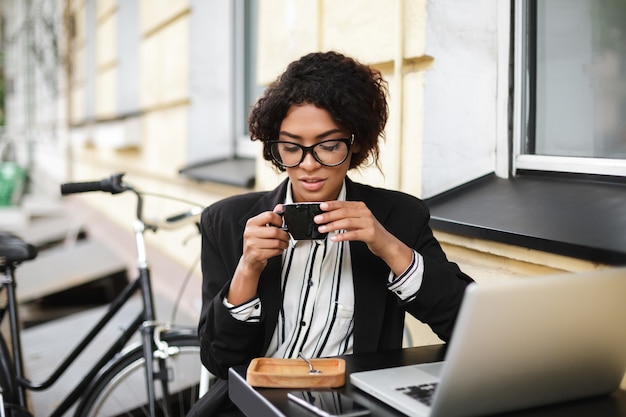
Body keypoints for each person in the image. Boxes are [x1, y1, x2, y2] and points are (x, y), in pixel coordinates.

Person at [187, 50, 474, 416]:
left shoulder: (397, 217)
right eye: (291, 148)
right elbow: (218, 360)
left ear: (355, 143)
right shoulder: (227, 221)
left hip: (350, 406)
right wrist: (248, 269)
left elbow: (465, 328)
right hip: (253, 406)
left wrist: (386, 245)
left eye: (328, 146)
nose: (309, 165)